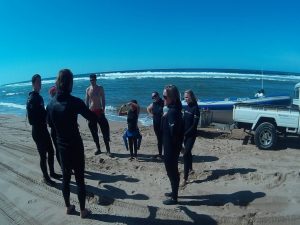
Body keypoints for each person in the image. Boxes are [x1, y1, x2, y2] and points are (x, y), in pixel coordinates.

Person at [47, 69, 97, 218]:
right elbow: (91, 117)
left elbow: (49, 123)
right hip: (75, 145)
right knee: (80, 179)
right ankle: (82, 211)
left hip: (61, 146)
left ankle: (68, 207)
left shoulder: (50, 104)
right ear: (69, 83)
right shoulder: (75, 101)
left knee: (66, 178)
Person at [26, 74, 61, 187]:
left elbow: (42, 113)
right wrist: (43, 119)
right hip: (37, 131)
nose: (40, 84)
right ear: (33, 83)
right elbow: (31, 120)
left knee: (51, 151)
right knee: (43, 155)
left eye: (40, 81)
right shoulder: (32, 98)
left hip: (43, 129)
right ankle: (46, 177)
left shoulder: (39, 97)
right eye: (38, 82)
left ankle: (52, 172)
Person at [161, 84, 184, 205]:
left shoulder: (173, 112)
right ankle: (173, 192)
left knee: (172, 171)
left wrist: (179, 148)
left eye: (165, 97)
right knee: (172, 171)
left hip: (171, 147)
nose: (163, 99)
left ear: (172, 98)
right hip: (170, 146)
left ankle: (174, 197)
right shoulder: (173, 110)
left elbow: (175, 133)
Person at [85, 74, 111, 156]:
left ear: (96, 80)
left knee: (105, 131)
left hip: (100, 111)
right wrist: (86, 114)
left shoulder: (100, 88)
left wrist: (103, 109)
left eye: (93, 80)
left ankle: (108, 150)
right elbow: (86, 102)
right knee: (94, 132)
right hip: (92, 112)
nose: (92, 81)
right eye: (90, 80)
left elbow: (103, 99)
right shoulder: (88, 89)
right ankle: (98, 149)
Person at [181, 90, 200, 187]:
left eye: (187, 97)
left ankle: (185, 179)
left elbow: (194, 125)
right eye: (184, 97)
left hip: (191, 135)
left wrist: (185, 134)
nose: (185, 99)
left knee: (185, 154)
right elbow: (184, 121)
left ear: (191, 97)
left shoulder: (195, 108)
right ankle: (191, 169)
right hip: (184, 135)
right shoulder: (187, 107)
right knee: (188, 153)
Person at [47, 85, 61, 168]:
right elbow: (49, 122)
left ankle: (65, 167)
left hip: (55, 131)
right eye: (54, 93)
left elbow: (48, 122)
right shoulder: (50, 106)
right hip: (57, 131)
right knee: (59, 150)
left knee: (59, 150)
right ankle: (64, 167)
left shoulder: (49, 105)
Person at [147, 91, 164, 159]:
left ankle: (167, 154)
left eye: (154, 96)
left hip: (163, 124)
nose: (153, 98)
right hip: (156, 124)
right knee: (159, 140)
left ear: (158, 95)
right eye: (152, 97)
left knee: (165, 140)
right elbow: (148, 108)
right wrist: (150, 114)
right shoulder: (153, 104)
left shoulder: (163, 102)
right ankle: (160, 154)